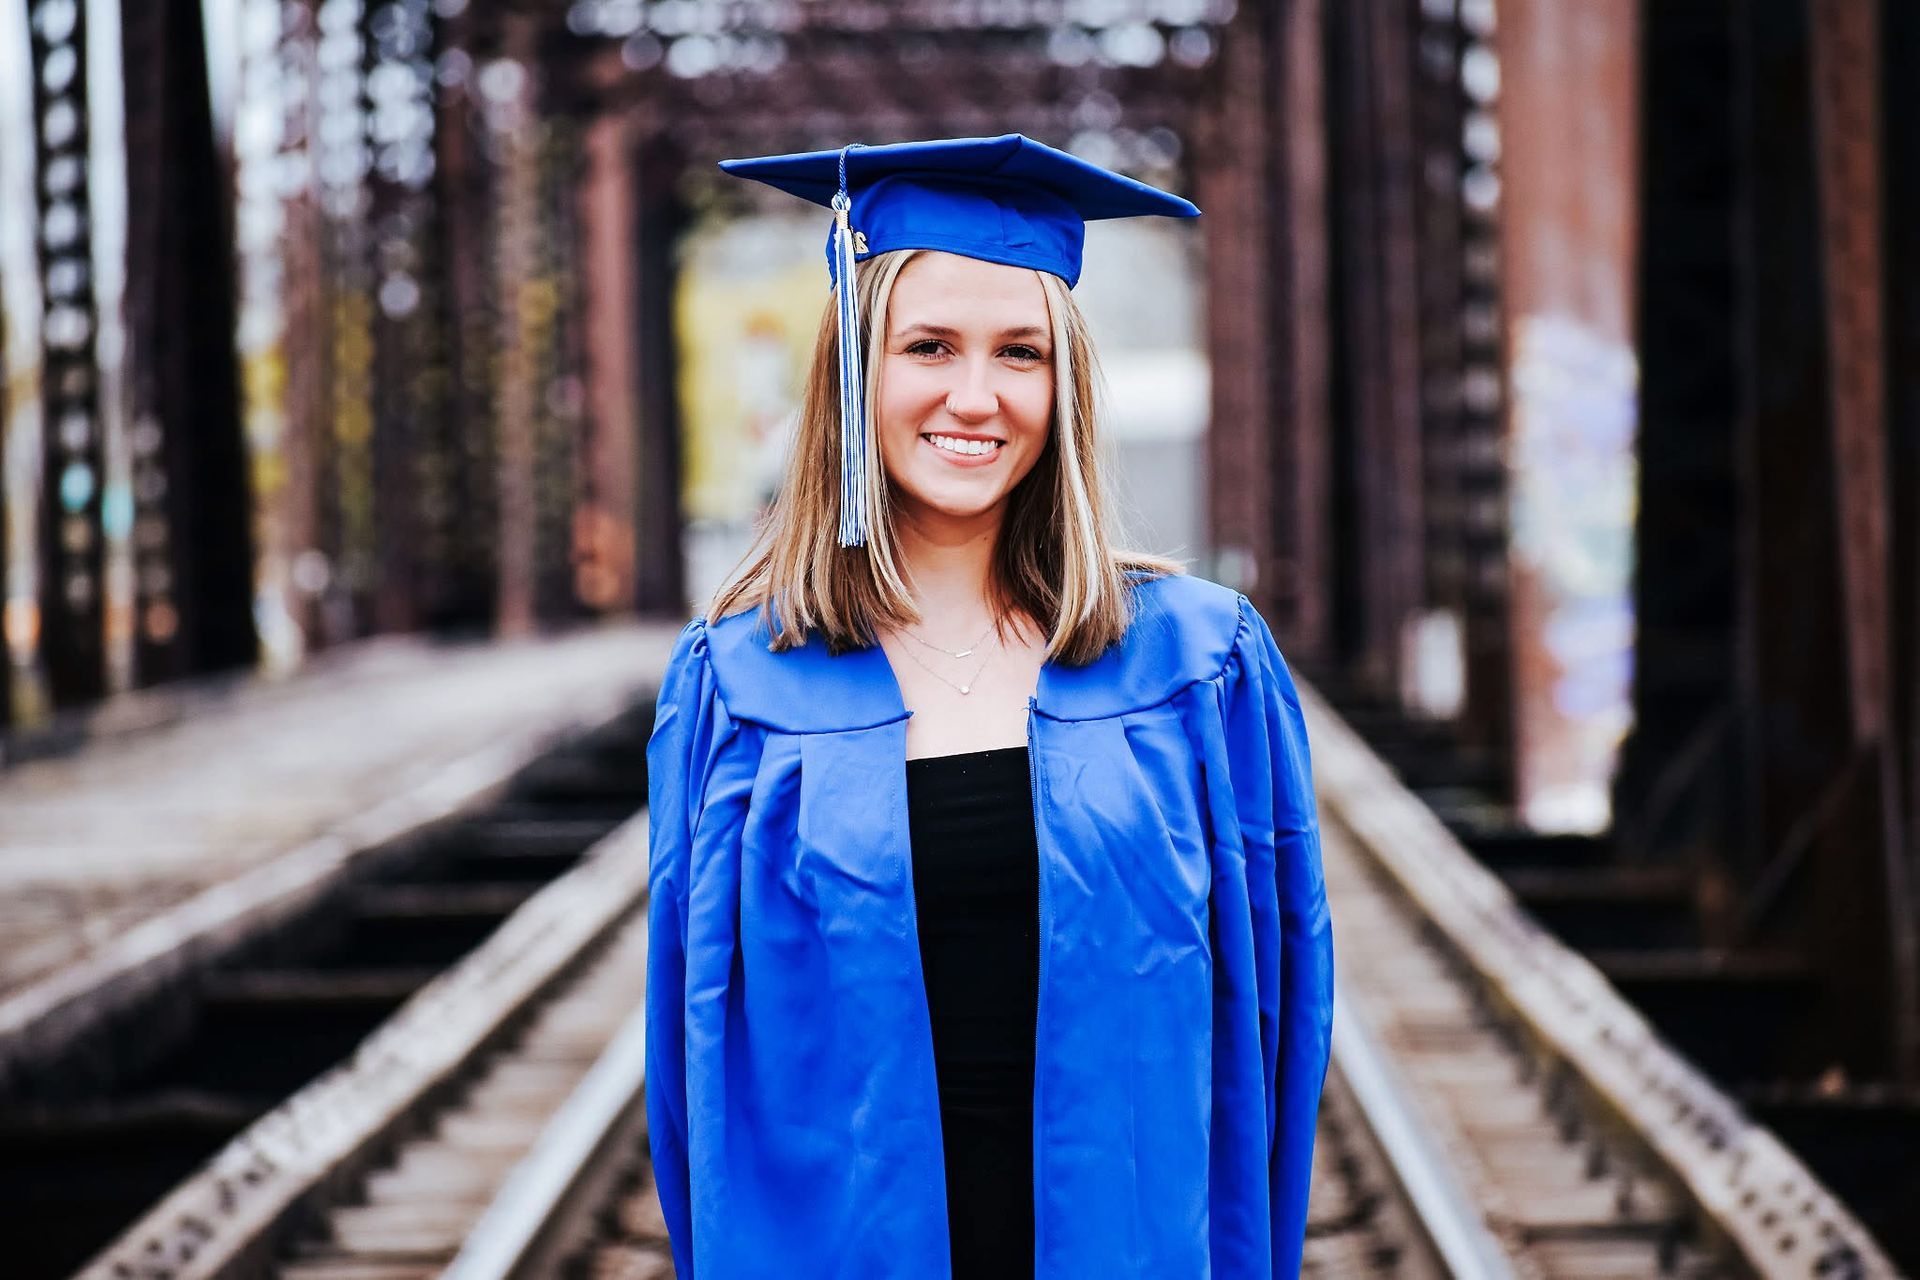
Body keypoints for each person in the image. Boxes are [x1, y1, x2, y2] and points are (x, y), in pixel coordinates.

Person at [645, 134, 1334, 1280]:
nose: (978, 396)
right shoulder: (737, 684)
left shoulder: (1202, 664)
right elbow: (694, 1061)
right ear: (857, 368)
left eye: (1021, 351)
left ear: (1066, 383)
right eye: (929, 346)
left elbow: (1276, 1017)